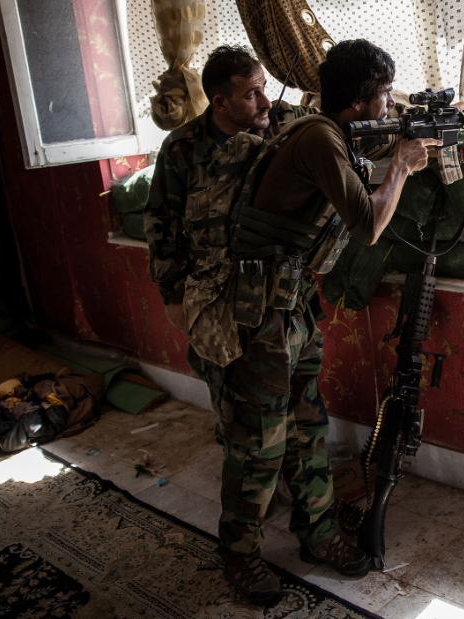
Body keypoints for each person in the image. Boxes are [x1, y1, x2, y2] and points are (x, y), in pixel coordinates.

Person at [143, 45, 368, 606]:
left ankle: (317, 534)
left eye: (264, 87)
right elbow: (161, 226)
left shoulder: (284, 131)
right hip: (229, 314)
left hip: (291, 307)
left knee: (308, 425)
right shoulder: (183, 150)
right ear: (220, 101)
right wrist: (176, 300)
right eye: (250, 93)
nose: (264, 100)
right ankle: (240, 553)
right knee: (252, 443)